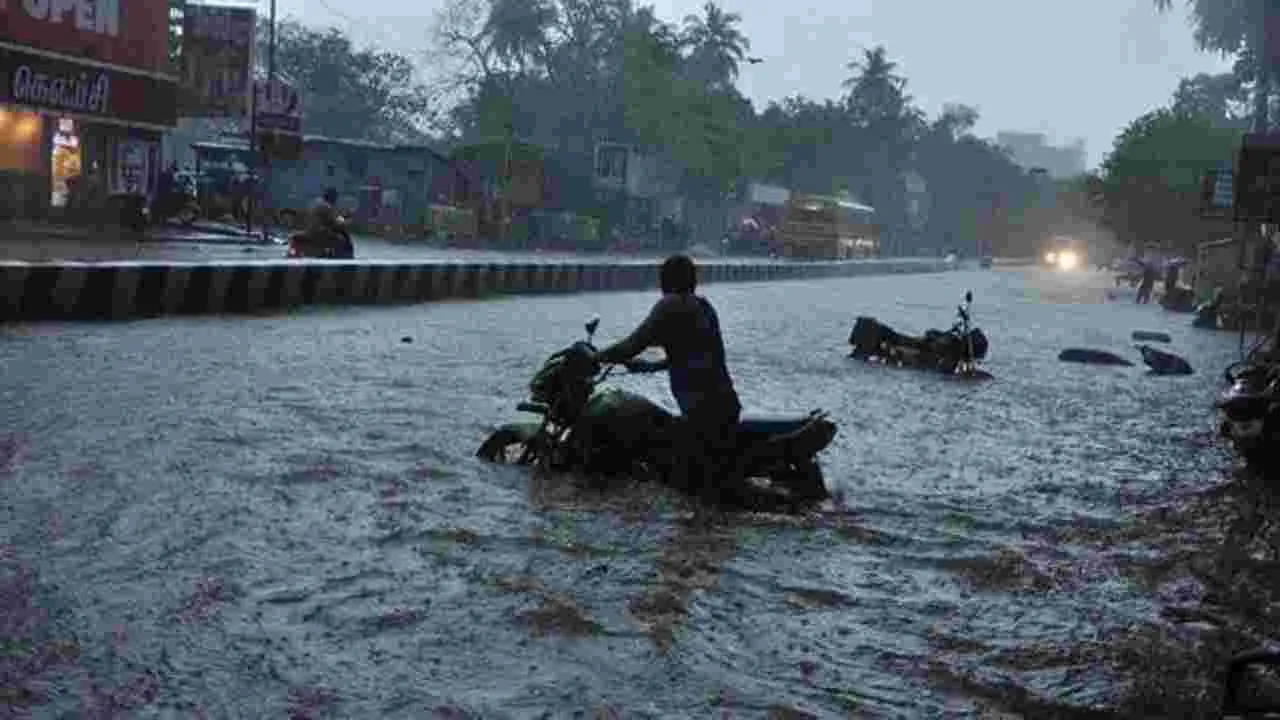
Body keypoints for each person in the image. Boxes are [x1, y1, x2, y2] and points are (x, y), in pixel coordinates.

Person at [592, 254, 743, 503]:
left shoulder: (670, 306)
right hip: (723, 403)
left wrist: (595, 358)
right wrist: (650, 367)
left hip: (702, 410)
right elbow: (698, 353)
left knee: (686, 486)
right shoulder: (702, 306)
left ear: (667, 280)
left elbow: (632, 344)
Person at [306, 187, 351, 258]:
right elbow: (334, 221)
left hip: (312, 230)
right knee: (340, 239)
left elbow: (330, 218)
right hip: (319, 232)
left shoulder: (318, 202)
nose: (336, 199)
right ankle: (339, 259)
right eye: (335, 197)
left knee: (334, 236)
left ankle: (327, 254)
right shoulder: (326, 206)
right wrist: (344, 222)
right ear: (331, 197)